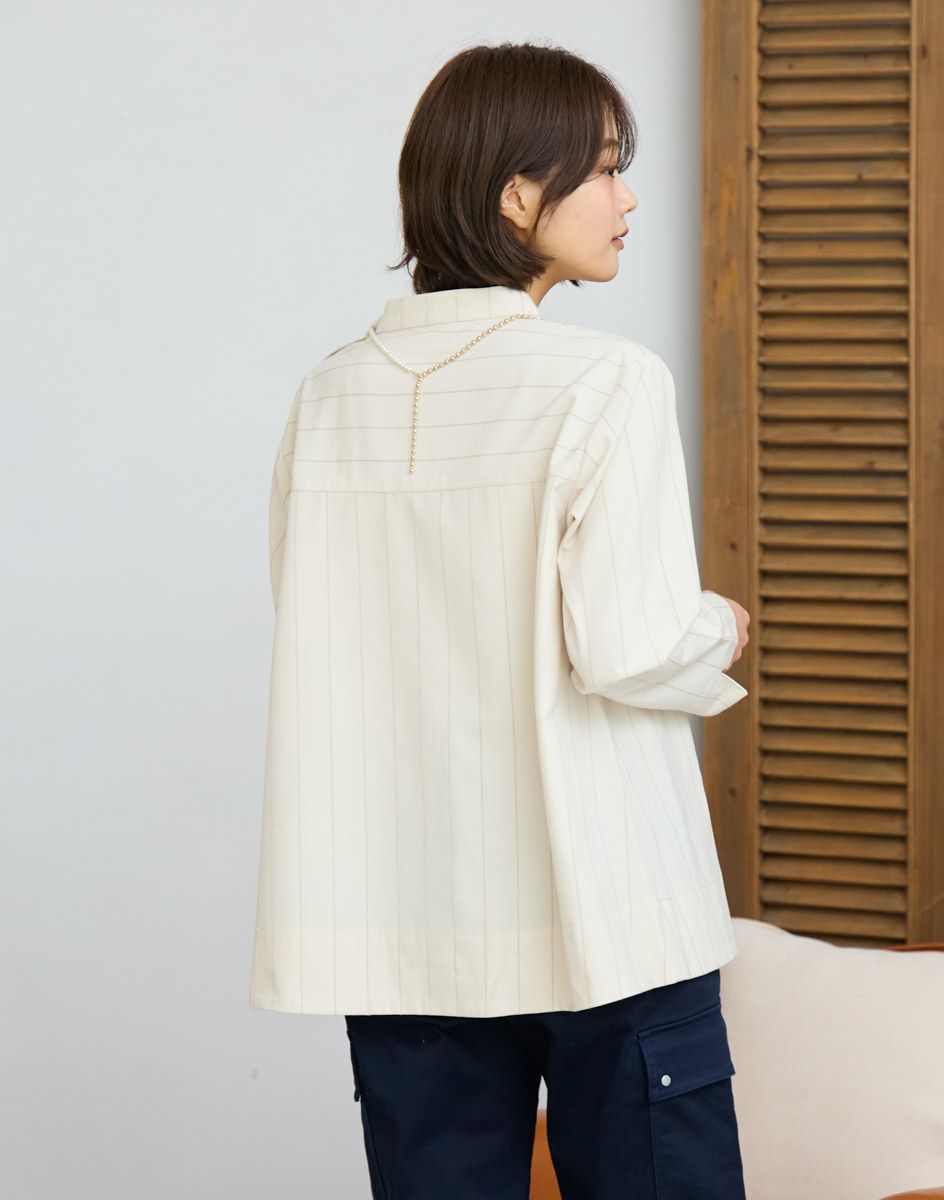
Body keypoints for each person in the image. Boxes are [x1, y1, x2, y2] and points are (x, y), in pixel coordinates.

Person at [250, 39, 751, 1200]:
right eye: (608, 170)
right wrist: (715, 628)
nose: (629, 200)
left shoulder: (325, 398)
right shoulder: (606, 383)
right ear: (519, 195)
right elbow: (628, 644)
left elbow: (326, 629)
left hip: (402, 925)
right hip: (608, 914)